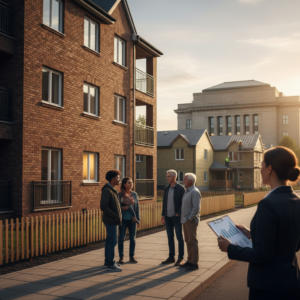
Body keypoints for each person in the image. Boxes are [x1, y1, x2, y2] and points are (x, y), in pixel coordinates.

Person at [218, 146, 300, 300]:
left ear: (269, 169)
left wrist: (230, 248)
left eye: (262, 164)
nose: (260, 169)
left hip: (268, 288)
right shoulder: (296, 200)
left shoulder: (268, 204)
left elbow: (263, 255)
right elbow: (293, 244)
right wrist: (252, 234)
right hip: (291, 283)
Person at [161, 170, 185, 266]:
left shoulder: (180, 188)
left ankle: (180, 258)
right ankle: (171, 257)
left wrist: (178, 213)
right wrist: (163, 214)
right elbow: (164, 202)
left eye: (169, 176)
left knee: (179, 237)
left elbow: (184, 203)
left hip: (176, 217)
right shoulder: (166, 188)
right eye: (166, 176)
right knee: (170, 237)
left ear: (174, 177)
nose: (167, 178)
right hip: (168, 217)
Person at [100, 170, 122, 272]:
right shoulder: (107, 190)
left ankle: (108, 261)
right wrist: (114, 216)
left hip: (112, 220)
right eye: (118, 177)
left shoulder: (112, 189)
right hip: (111, 221)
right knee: (113, 241)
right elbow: (103, 206)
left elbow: (114, 205)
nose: (119, 179)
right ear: (113, 178)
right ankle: (111, 264)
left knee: (109, 241)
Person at [181, 173, 201, 271]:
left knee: (192, 242)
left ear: (190, 181)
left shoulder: (194, 192)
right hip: (185, 220)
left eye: (185, 179)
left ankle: (194, 263)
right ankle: (189, 261)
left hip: (191, 221)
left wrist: (189, 218)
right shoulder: (187, 191)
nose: (183, 180)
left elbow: (196, 207)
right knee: (188, 241)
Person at [118, 177, 140, 264]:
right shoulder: (120, 194)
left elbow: (137, 207)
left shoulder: (134, 194)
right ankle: (121, 257)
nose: (131, 184)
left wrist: (138, 219)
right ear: (124, 184)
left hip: (132, 220)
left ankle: (132, 256)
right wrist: (123, 208)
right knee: (121, 239)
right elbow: (117, 206)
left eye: (132, 182)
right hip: (123, 220)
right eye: (129, 183)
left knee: (132, 239)